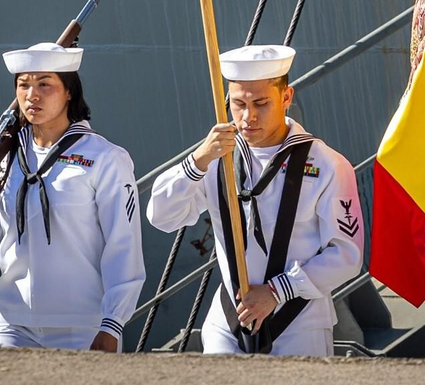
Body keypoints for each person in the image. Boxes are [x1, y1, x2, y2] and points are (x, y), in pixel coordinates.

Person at [0, 42, 145, 351]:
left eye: (45, 84)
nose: (32, 95)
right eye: (23, 84)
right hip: (10, 322)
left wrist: (113, 323)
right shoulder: (4, 158)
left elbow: (123, 247)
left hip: (81, 323)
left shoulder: (105, 158)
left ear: (69, 91)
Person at [146, 44, 363, 356]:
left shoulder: (327, 166)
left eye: (261, 103)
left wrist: (277, 291)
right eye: (238, 104)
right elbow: (162, 216)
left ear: (286, 97)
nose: (248, 117)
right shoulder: (217, 160)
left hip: (298, 323)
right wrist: (196, 162)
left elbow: (346, 256)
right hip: (229, 323)